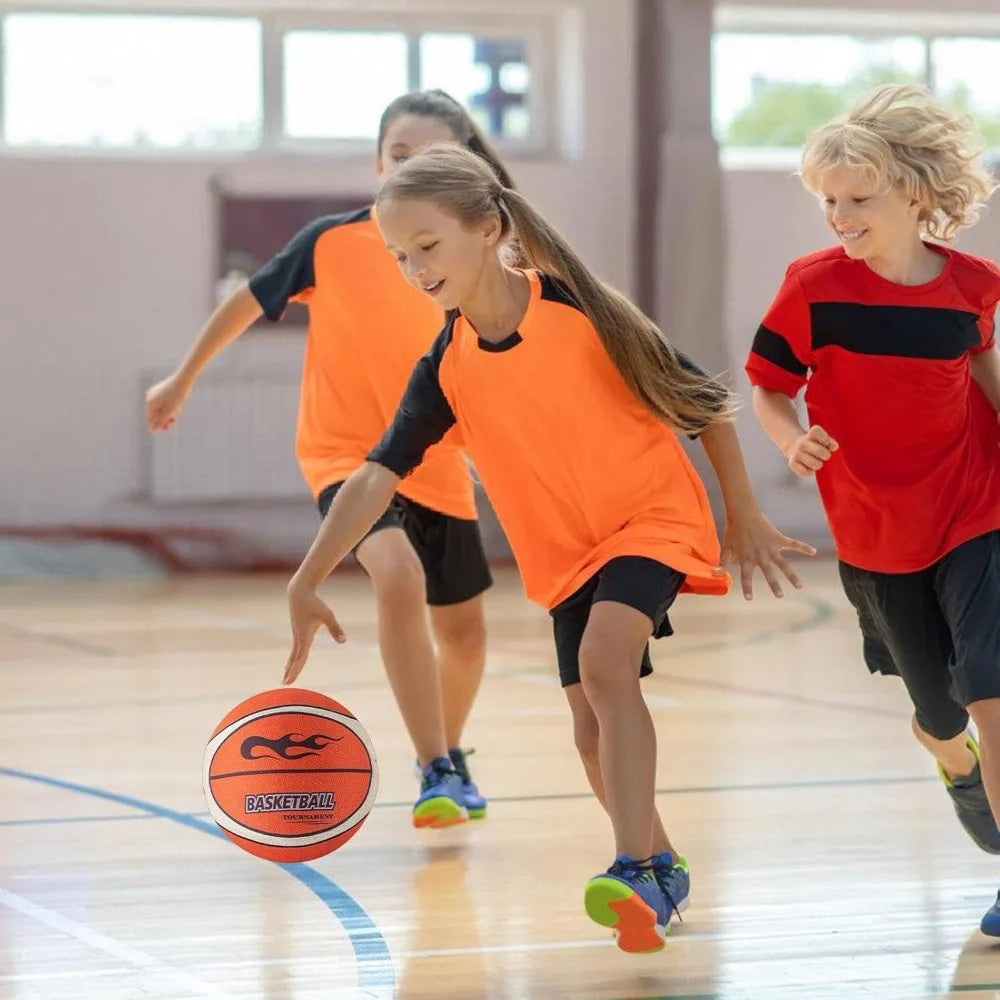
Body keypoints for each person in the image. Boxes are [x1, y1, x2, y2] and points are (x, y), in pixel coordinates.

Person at [282, 142, 813, 952]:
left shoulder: (580, 309)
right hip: (564, 557)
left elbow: (703, 403)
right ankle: (663, 862)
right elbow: (376, 475)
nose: (414, 269)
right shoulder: (446, 365)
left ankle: (633, 865)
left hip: (650, 517)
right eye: (399, 256)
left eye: (427, 246)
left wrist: (741, 513)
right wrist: (308, 576)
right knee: (589, 733)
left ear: (488, 227)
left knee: (605, 664)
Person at [145, 91, 517, 829]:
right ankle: (435, 766)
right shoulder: (332, 243)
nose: (410, 166)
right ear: (378, 163)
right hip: (344, 453)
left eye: (432, 156)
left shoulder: (475, 255)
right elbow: (247, 302)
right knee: (397, 573)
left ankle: (449, 751)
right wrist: (183, 376)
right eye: (400, 154)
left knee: (465, 636)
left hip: (438, 461)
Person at [744, 84, 1000, 934]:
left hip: (974, 505)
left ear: (915, 195)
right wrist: (791, 441)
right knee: (942, 713)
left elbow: (982, 371)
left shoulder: (974, 285)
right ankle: (953, 762)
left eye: (859, 199)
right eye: (830, 201)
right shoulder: (813, 287)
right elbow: (769, 387)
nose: (840, 216)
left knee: (993, 686)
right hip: (877, 530)